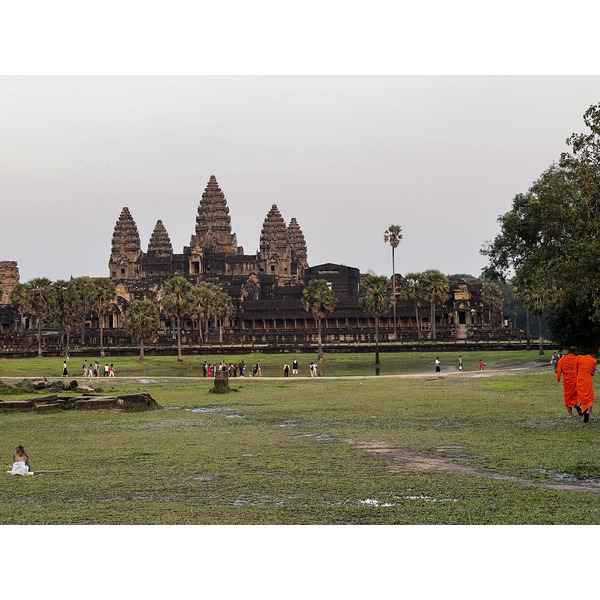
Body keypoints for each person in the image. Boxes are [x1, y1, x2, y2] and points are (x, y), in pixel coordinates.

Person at [557, 346, 579, 419]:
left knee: (568, 396)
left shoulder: (563, 359)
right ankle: (578, 407)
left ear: (568, 351)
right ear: (575, 352)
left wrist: (559, 376)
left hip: (567, 380)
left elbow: (560, 368)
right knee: (578, 395)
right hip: (576, 380)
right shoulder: (577, 359)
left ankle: (570, 414)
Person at [576, 352, 597, 423]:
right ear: (593, 355)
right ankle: (587, 412)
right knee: (590, 398)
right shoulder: (593, 360)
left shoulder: (579, 358)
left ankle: (578, 404)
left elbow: (575, 368)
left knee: (581, 395)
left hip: (579, 378)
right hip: (587, 379)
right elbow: (592, 373)